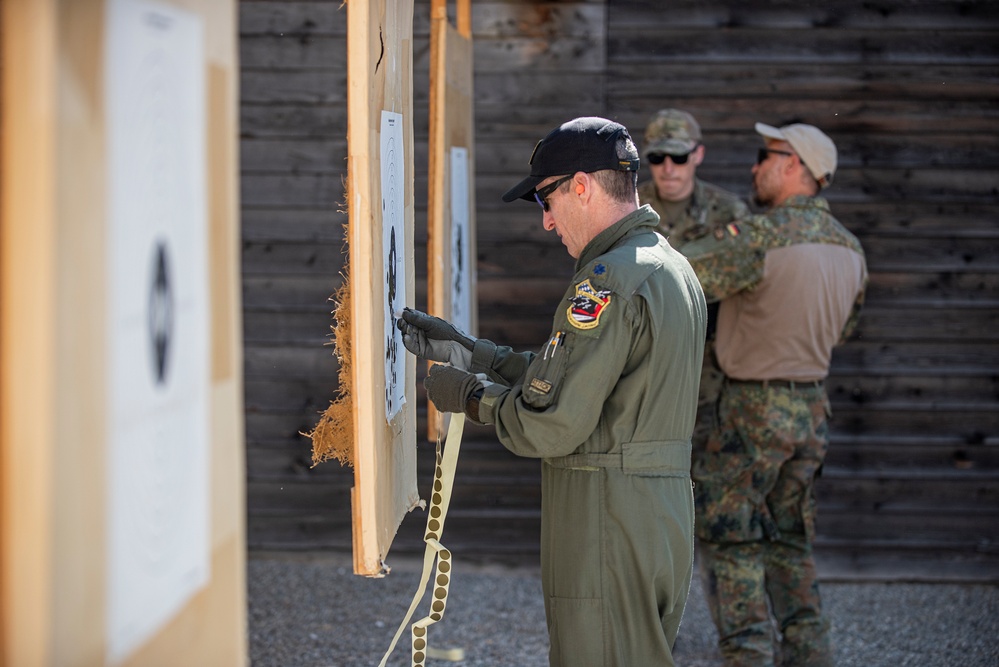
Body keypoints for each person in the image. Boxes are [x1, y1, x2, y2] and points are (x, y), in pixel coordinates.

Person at [397, 116, 707, 666]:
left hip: (606, 519)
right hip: (654, 515)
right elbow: (586, 380)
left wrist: (469, 395)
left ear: (582, 186)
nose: (546, 222)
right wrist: (473, 352)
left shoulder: (609, 279)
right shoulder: (669, 266)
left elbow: (552, 423)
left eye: (546, 199)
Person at [680, 122, 868, 667]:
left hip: (750, 409)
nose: (755, 166)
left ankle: (748, 655)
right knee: (791, 537)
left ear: (794, 167)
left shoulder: (761, 236)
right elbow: (846, 328)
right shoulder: (851, 249)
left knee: (732, 535)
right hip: (812, 410)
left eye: (766, 155)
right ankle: (809, 651)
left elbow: (682, 274)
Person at [638, 108, 751, 456]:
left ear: (697, 154)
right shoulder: (629, 207)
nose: (668, 168)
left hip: (708, 377)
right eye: (658, 157)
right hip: (642, 371)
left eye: (679, 156)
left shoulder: (729, 212)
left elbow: (743, 281)